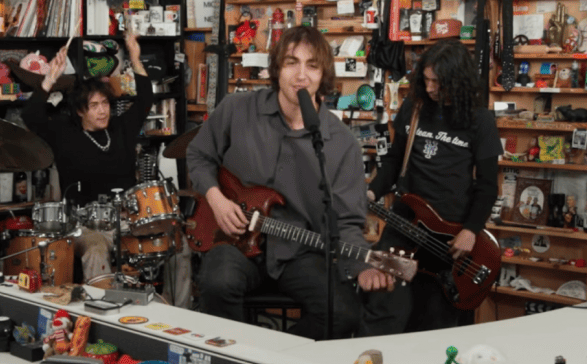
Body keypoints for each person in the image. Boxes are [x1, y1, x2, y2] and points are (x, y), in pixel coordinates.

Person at [187, 26, 389, 340]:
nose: (301, 75)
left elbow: (348, 221)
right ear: (277, 68)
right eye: (292, 62)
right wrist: (216, 199)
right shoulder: (237, 109)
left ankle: (278, 361)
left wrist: (362, 265)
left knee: (344, 312)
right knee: (218, 282)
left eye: (312, 65)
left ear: (324, 75)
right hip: (232, 242)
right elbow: (198, 155)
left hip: (298, 253)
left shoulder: (341, 143)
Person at [360, 39, 501, 336]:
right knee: (382, 305)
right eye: (426, 80)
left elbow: (488, 185)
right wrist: (372, 191)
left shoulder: (480, 120)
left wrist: (470, 231)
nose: (432, 88)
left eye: (439, 82)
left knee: (435, 325)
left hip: (448, 240)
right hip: (403, 226)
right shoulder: (414, 107)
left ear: (458, 80)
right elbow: (394, 160)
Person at [22, 33, 153, 280]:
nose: (103, 111)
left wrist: (135, 58)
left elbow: (145, 98)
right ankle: (99, 312)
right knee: (95, 249)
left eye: (105, 104)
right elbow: (31, 116)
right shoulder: (64, 134)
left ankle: (175, 309)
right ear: (81, 110)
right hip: (83, 226)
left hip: (126, 220)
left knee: (172, 243)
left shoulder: (120, 128)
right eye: (94, 106)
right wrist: (51, 77)